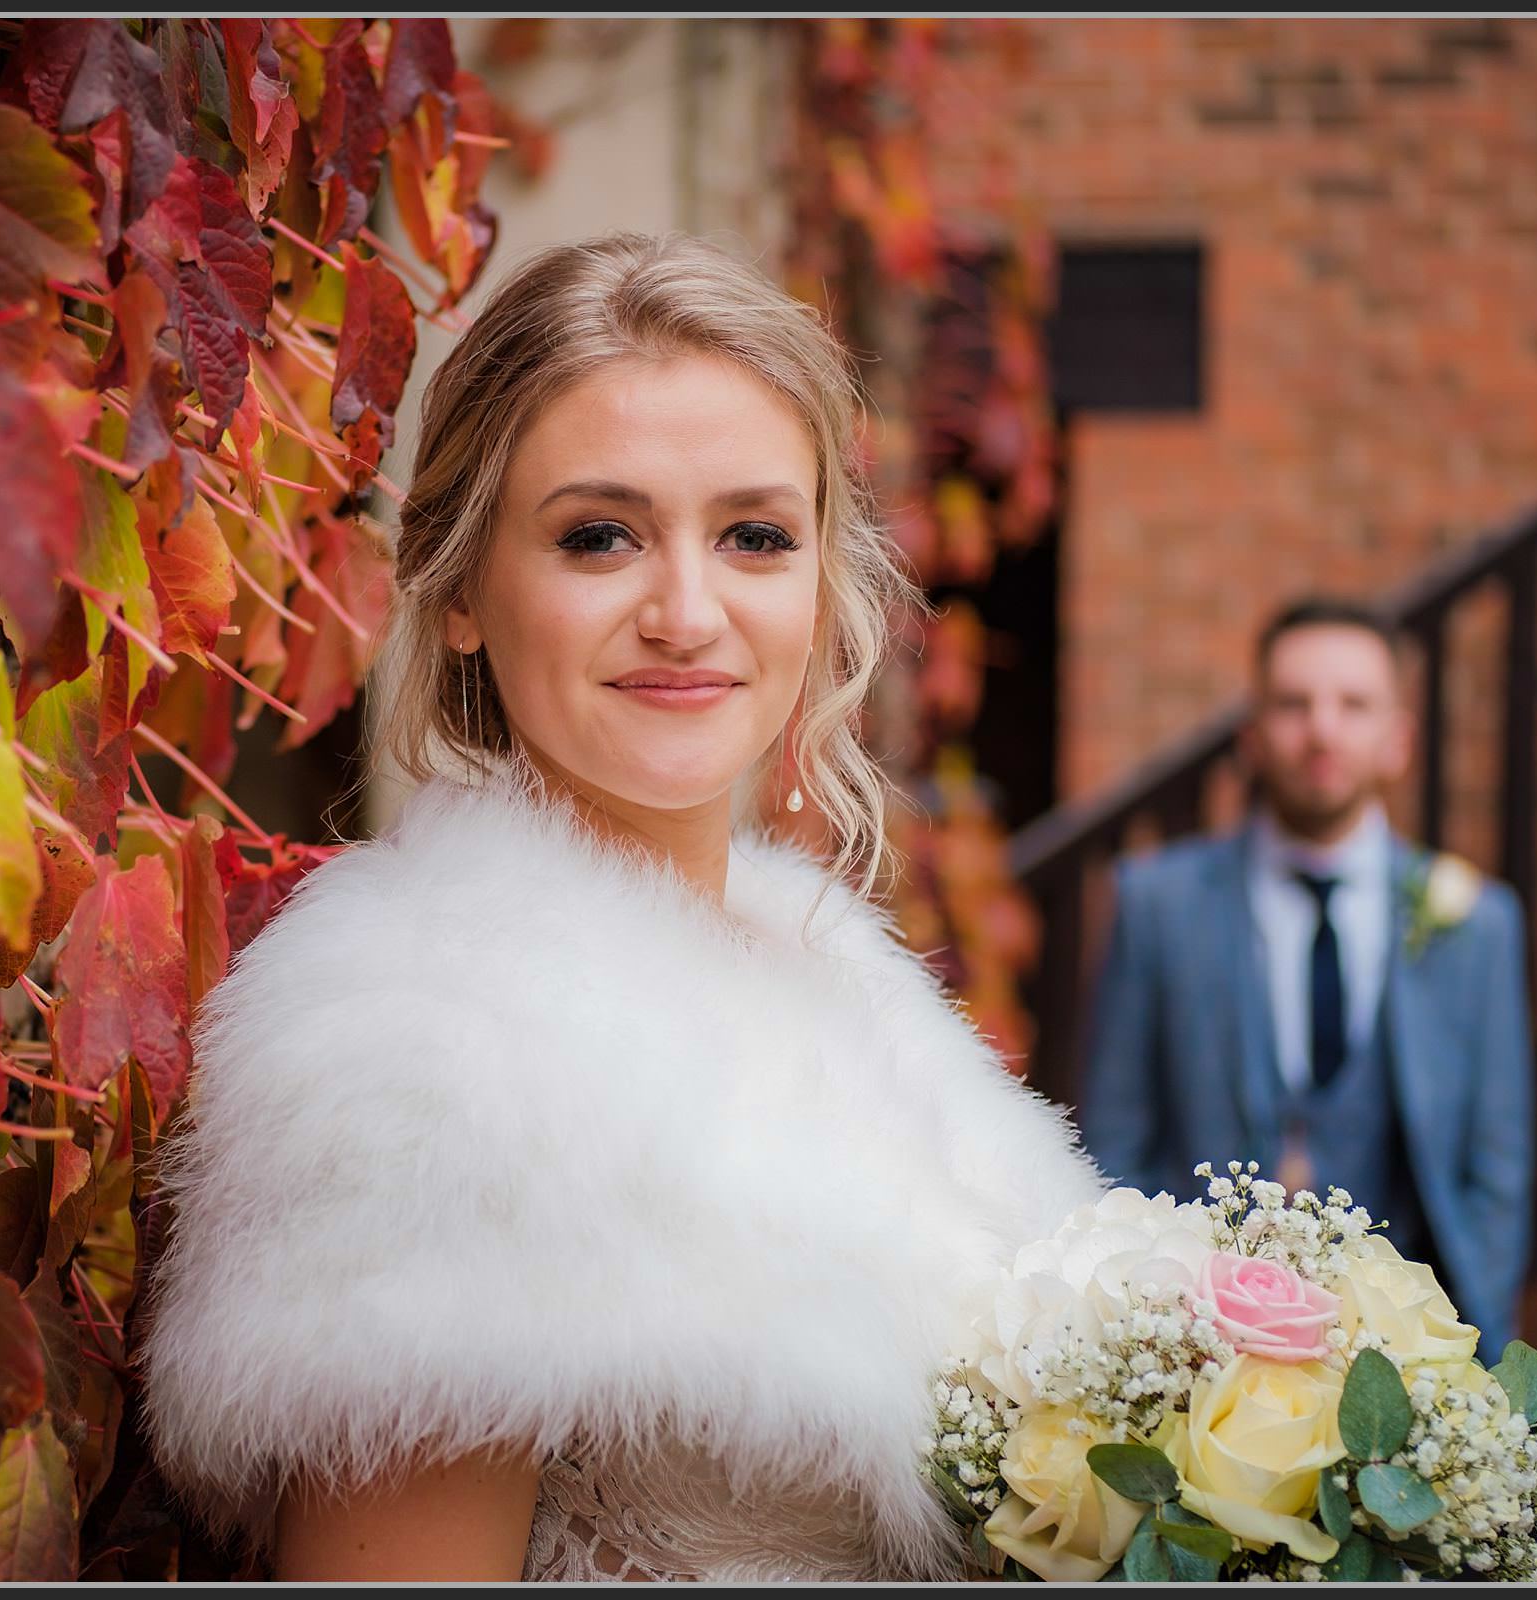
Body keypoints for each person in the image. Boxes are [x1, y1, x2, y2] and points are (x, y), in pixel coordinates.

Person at [133, 233, 1108, 1582]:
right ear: (464, 589)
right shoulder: (421, 1053)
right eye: (600, 537)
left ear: (825, 585)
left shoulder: (854, 996)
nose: (688, 611)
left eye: (756, 536)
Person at [1075, 597, 1535, 1360]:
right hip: (1198, 1354)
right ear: (1252, 738)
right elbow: (1114, 1146)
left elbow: (1498, 1167)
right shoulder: (1155, 904)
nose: (1321, 729)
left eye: (1353, 705)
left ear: (1399, 741)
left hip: (1405, 1359)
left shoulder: (1478, 925)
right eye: (1294, 704)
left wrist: (1471, 1339)